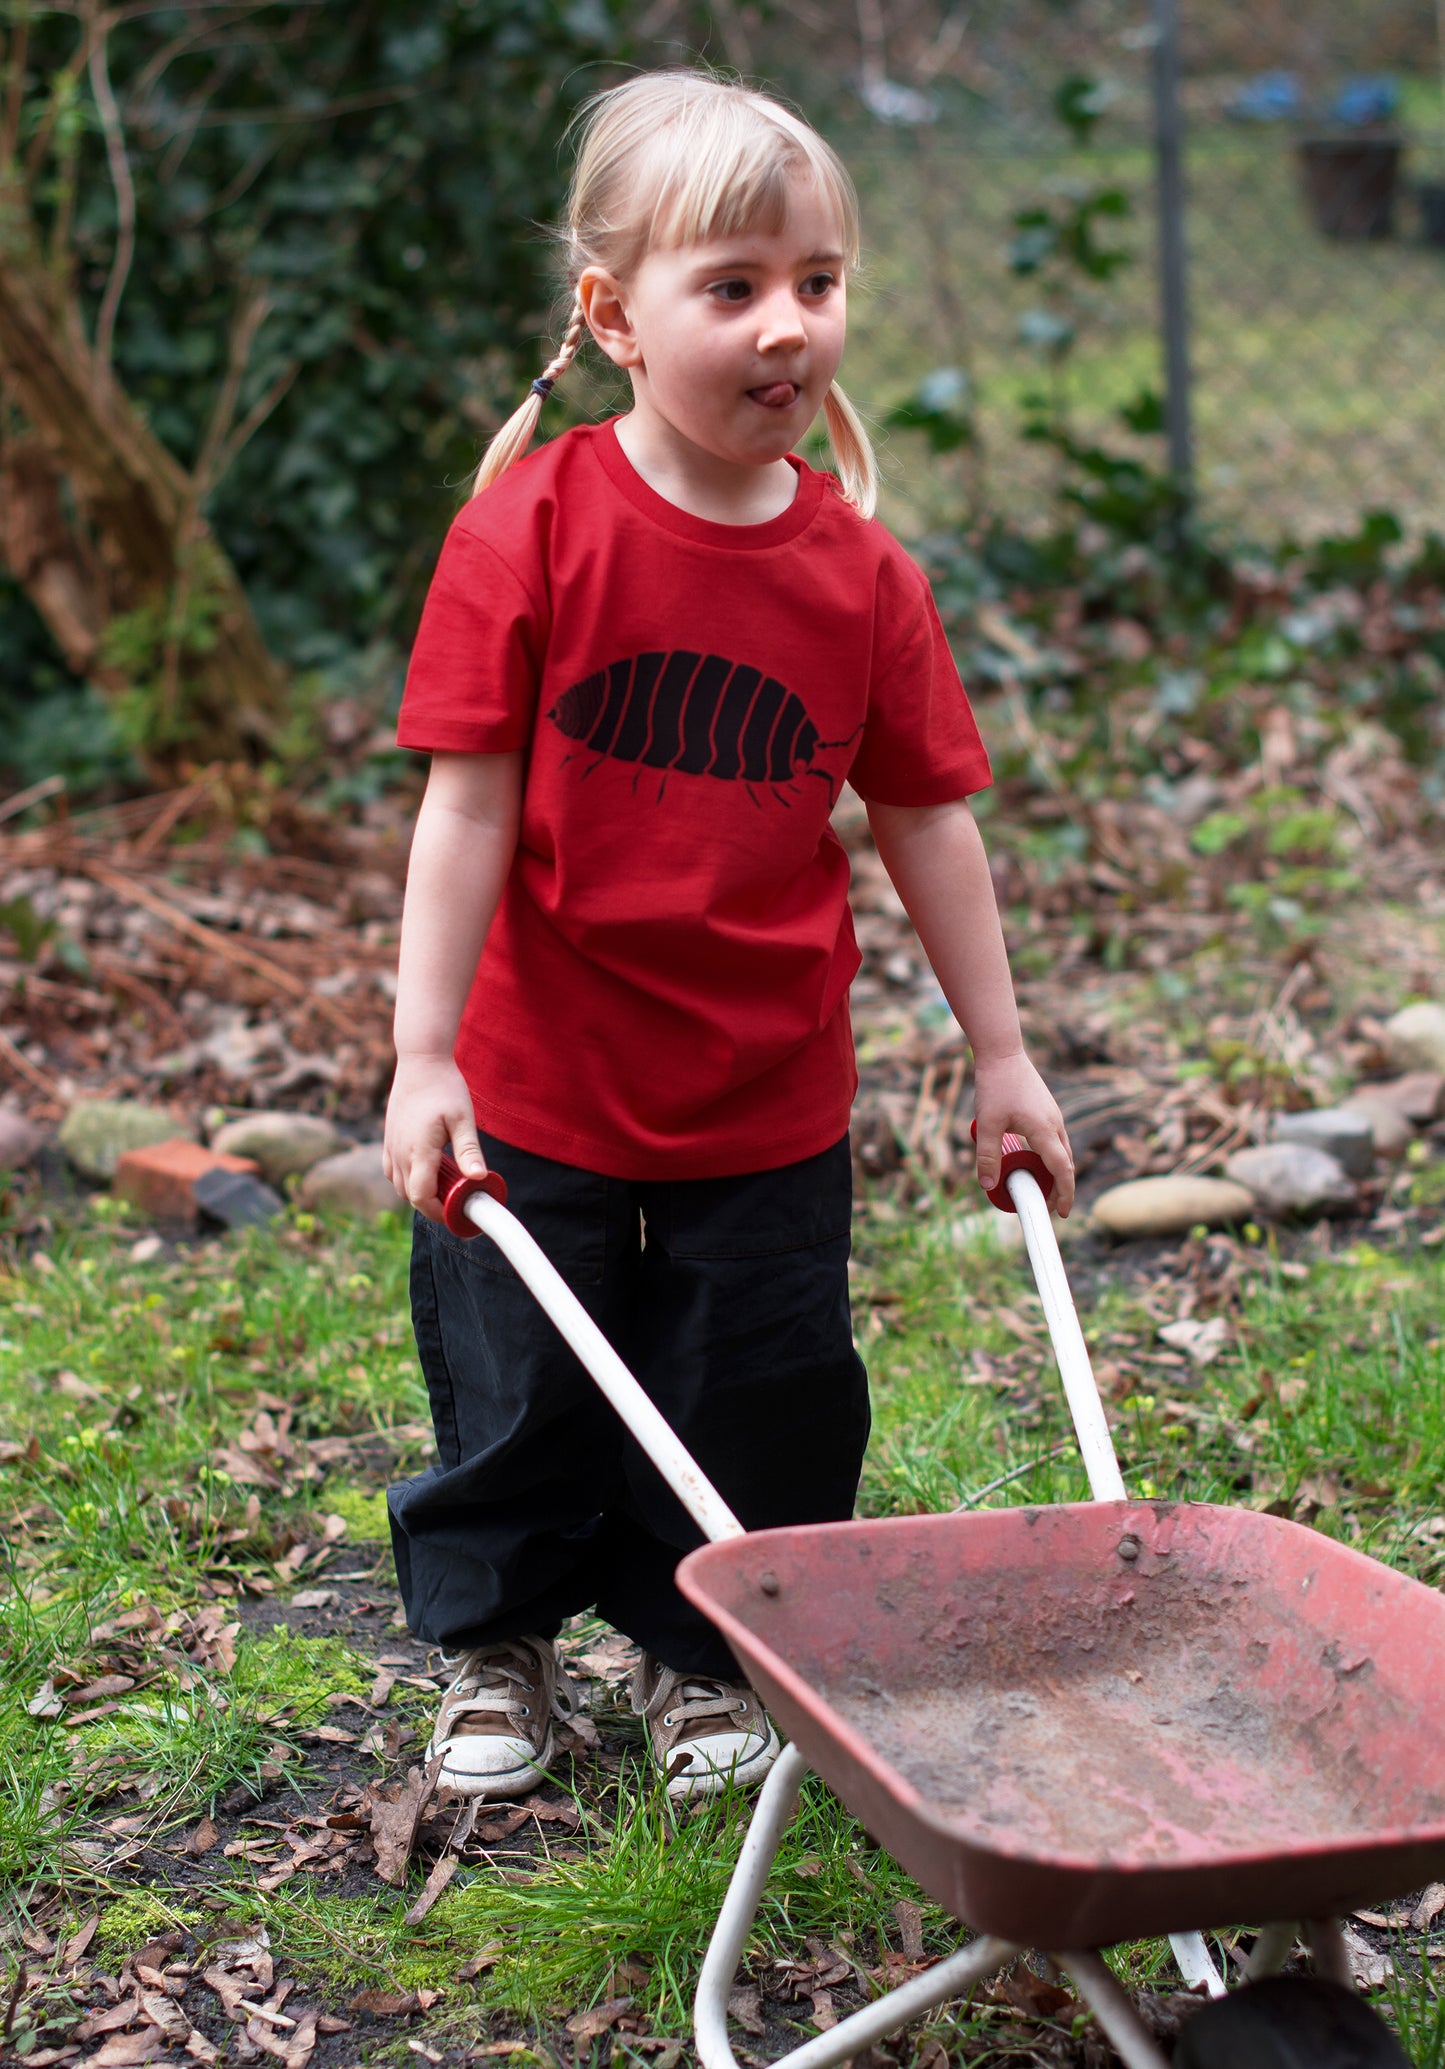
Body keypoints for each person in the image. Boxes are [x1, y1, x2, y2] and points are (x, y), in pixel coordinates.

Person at [382, 68, 1074, 1803]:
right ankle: (497, 1640)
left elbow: (927, 817)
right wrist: (422, 1054)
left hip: (763, 1088)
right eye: (734, 285)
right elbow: (462, 809)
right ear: (615, 316)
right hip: (541, 1073)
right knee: (525, 1381)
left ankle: (704, 1654)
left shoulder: (863, 578)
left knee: (756, 1390)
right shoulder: (529, 531)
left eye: (817, 282)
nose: (789, 324)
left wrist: (1001, 1054)